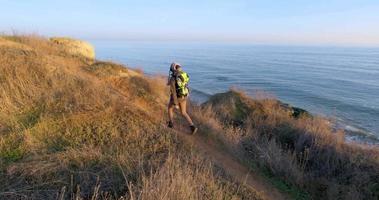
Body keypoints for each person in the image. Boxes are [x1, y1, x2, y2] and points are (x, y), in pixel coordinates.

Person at [167, 62, 198, 134]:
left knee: (169, 108)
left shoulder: (173, 77)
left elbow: (173, 91)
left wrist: (175, 103)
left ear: (173, 68)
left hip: (177, 97)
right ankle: (193, 127)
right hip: (184, 96)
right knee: (183, 112)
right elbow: (185, 85)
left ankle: (171, 124)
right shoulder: (183, 74)